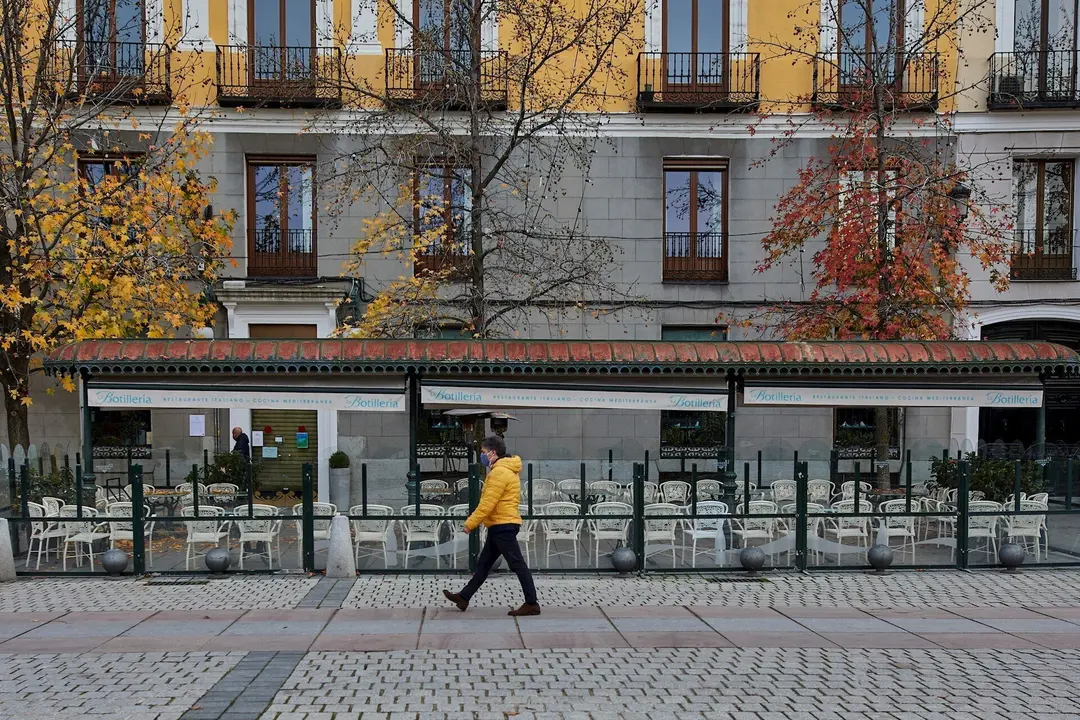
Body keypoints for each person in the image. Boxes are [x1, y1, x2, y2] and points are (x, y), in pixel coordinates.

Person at [443, 435, 540, 616]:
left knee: (517, 564)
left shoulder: (499, 472)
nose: (482, 455)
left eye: (483, 452)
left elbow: (488, 503)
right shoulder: (502, 469)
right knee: (484, 564)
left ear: (493, 452)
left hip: (503, 524)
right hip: (499, 524)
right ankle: (464, 597)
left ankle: (532, 603)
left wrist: (470, 523)